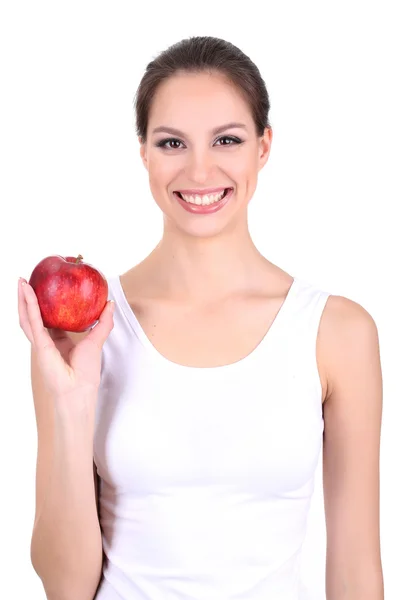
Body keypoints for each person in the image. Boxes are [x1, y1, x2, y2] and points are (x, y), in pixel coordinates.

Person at [18, 36, 384, 600]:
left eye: (227, 140)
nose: (199, 169)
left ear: (263, 147)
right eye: (172, 142)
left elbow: (357, 572)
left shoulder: (337, 332)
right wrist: (69, 405)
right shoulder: (85, 330)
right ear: (143, 152)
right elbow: (65, 587)